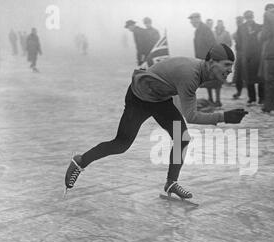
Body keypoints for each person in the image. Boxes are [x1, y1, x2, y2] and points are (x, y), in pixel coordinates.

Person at [64, 44, 248, 199]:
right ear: (211, 62)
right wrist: (224, 117)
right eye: (227, 65)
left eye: (232, 66)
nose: (230, 70)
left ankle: (171, 183)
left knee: (182, 138)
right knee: (121, 144)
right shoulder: (191, 74)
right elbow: (191, 116)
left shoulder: (200, 71)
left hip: (160, 100)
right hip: (139, 98)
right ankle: (80, 161)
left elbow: (176, 89)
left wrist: (179, 110)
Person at [188, 13, 221, 106]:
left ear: (197, 19)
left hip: (210, 59)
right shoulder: (198, 30)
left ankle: (218, 101)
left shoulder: (205, 29)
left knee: (215, 80)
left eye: (192, 20)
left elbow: (212, 44)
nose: (191, 22)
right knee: (208, 81)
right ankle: (211, 99)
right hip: (203, 59)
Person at [237, 10, 264, 106]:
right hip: (246, 57)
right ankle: (252, 98)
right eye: (247, 17)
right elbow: (238, 42)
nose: (249, 19)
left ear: (253, 17)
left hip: (258, 56)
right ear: (245, 18)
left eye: (250, 17)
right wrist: (242, 53)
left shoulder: (260, 27)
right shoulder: (241, 28)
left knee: (260, 78)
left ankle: (262, 98)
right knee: (249, 79)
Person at [232, 16, 244, 100]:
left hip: (245, 53)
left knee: (242, 73)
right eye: (237, 21)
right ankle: (238, 91)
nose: (238, 22)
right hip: (239, 53)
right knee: (238, 73)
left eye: (239, 21)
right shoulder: (238, 29)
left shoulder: (244, 28)